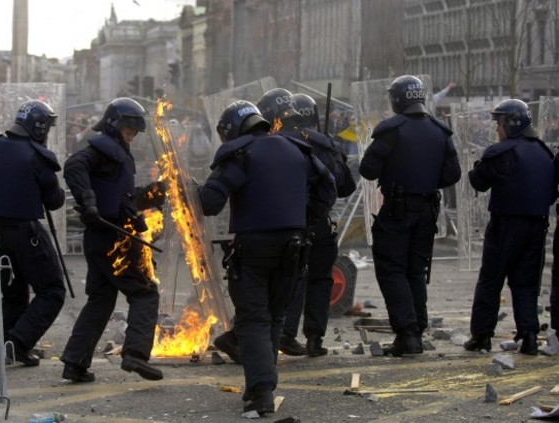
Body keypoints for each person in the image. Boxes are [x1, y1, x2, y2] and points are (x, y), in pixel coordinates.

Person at [197, 100, 336, 415]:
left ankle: (261, 392)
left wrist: (193, 190)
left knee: (254, 319)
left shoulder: (241, 155)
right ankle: (262, 385)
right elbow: (329, 184)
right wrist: (307, 217)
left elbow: (210, 203)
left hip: (255, 247)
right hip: (295, 245)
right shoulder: (296, 149)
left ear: (233, 129)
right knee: (274, 316)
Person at [60, 97, 166, 383]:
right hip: (115, 239)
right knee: (145, 292)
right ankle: (135, 354)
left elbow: (121, 198)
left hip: (102, 238)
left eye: (135, 129)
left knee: (100, 300)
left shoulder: (117, 152)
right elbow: (73, 166)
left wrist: (153, 193)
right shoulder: (102, 148)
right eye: (129, 128)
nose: (132, 133)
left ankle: (75, 362)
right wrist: (88, 201)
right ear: (114, 124)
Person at [359, 75, 461, 356]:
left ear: (397, 100)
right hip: (427, 210)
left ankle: (406, 333)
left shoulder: (391, 130)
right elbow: (452, 174)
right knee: (416, 270)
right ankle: (416, 328)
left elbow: (368, 170)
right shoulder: (440, 130)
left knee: (392, 269)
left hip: (397, 209)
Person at [255, 89, 356, 357]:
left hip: (286, 223)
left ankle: (285, 335)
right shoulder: (323, 142)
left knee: (291, 279)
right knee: (320, 280)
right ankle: (315, 339)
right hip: (319, 223)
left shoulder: (271, 141)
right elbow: (345, 185)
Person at [0, 100, 66, 366]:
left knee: (12, 292)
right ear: (39, 127)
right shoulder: (37, 156)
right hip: (27, 233)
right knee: (52, 291)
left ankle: (8, 348)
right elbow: (54, 200)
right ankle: (19, 341)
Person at [464, 99, 556, 355]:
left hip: (506, 225)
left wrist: (477, 164)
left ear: (511, 124)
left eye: (499, 123)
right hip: (537, 226)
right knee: (526, 283)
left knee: (491, 280)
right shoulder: (544, 152)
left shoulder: (502, 151)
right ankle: (528, 335)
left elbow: (478, 182)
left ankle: (481, 336)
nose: (497, 129)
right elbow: (549, 195)